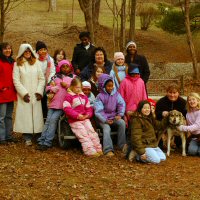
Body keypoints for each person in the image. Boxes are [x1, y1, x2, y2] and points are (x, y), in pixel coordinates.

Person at [37, 60, 75, 151]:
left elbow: (77, 89)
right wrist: (52, 88)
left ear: (70, 67)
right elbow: (47, 87)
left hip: (64, 105)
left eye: (67, 66)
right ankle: (42, 140)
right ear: (60, 68)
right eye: (63, 67)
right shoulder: (55, 77)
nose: (65, 68)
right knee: (48, 120)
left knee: (53, 120)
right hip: (53, 103)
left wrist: (66, 86)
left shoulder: (73, 78)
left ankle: (47, 142)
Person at [13, 43, 45, 146]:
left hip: (35, 93)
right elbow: (16, 80)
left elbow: (41, 78)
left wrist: (39, 91)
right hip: (25, 93)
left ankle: (38, 135)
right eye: (25, 51)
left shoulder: (36, 63)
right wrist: (24, 94)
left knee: (37, 114)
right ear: (22, 52)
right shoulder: (17, 64)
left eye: (29, 51)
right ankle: (27, 137)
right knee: (25, 115)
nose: (27, 53)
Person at [63, 78, 102, 157]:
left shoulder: (83, 96)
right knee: (83, 134)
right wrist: (77, 116)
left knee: (91, 131)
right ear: (72, 87)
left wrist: (88, 115)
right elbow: (67, 109)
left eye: (80, 87)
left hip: (85, 118)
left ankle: (98, 149)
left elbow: (89, 108)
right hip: (75, 120)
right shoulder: (69, 96)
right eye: (77, 87)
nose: (78, 89)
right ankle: (89, 151)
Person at [94, 74, 126, 156]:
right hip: (102, 119)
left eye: (112, 86)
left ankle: (122, 145)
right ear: (103, 86)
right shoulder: (99, 97)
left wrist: (120, 114)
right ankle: (108, 149)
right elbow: (98, 111)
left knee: (122, 123)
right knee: (106, 128)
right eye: (108, 86)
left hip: (113, 116)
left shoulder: (116, 94)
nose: (110, 88)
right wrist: (105, 120)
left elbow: (121, 104)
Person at [155, 84, 187, 148]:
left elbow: (186, 115)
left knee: (179, 144)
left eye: (174, 93)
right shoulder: (161, 101)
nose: (172, 95)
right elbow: (156, 113)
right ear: (167, 92)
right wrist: (162, 113)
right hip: (164, 123)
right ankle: (159, 144)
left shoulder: (183, 102)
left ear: (178, 93)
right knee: (157, 130)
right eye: (170, 92)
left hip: (178, 124)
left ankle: (179, 143)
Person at [0, 42, 17, 144]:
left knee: (9, 116)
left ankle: (8, 135)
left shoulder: (12, 62)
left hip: (11, 93)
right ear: (1, 50)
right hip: (2, 93)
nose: (8, 50)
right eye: (5, 49)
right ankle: (2, 138)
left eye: (9, 48)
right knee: (1, 117)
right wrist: (1, 87)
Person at [36, 41, 55, 118]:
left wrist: (48, 81)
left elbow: (52, 71)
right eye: (41, 50)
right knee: (37, 103)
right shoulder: (34, 59)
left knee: (44, 103)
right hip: (36, 83)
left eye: (44, 49)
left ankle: (44, 119)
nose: (43, 51)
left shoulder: (50, 59)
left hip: (46, 83)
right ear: (37, 51)